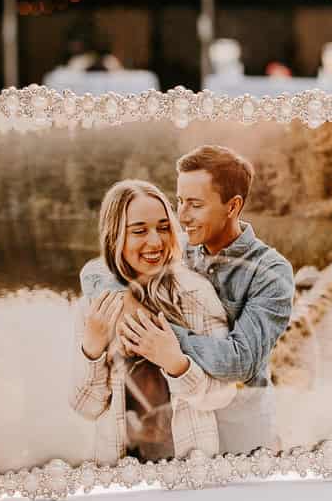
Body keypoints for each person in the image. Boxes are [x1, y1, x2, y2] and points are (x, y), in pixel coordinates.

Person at [80, 145, 295, 453]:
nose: (181, 216)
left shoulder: (270, 271)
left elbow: (240, 361)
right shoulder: (180, 248)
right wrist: (124, 302)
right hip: (187, 423)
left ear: (232, 206)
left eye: (195, 204)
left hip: (240, 430)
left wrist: (153, 333)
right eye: (179, 201)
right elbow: (94, 271)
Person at [69, 180, 236, 463]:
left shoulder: (197, 294)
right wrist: (93, 348)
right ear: (114, 237)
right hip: (122, 471)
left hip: (190, 463)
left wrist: (176, 364)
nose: (156, 241)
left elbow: (222, 394)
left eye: (163, 227)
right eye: (139, 231)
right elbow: (86, 408)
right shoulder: (93, 308)